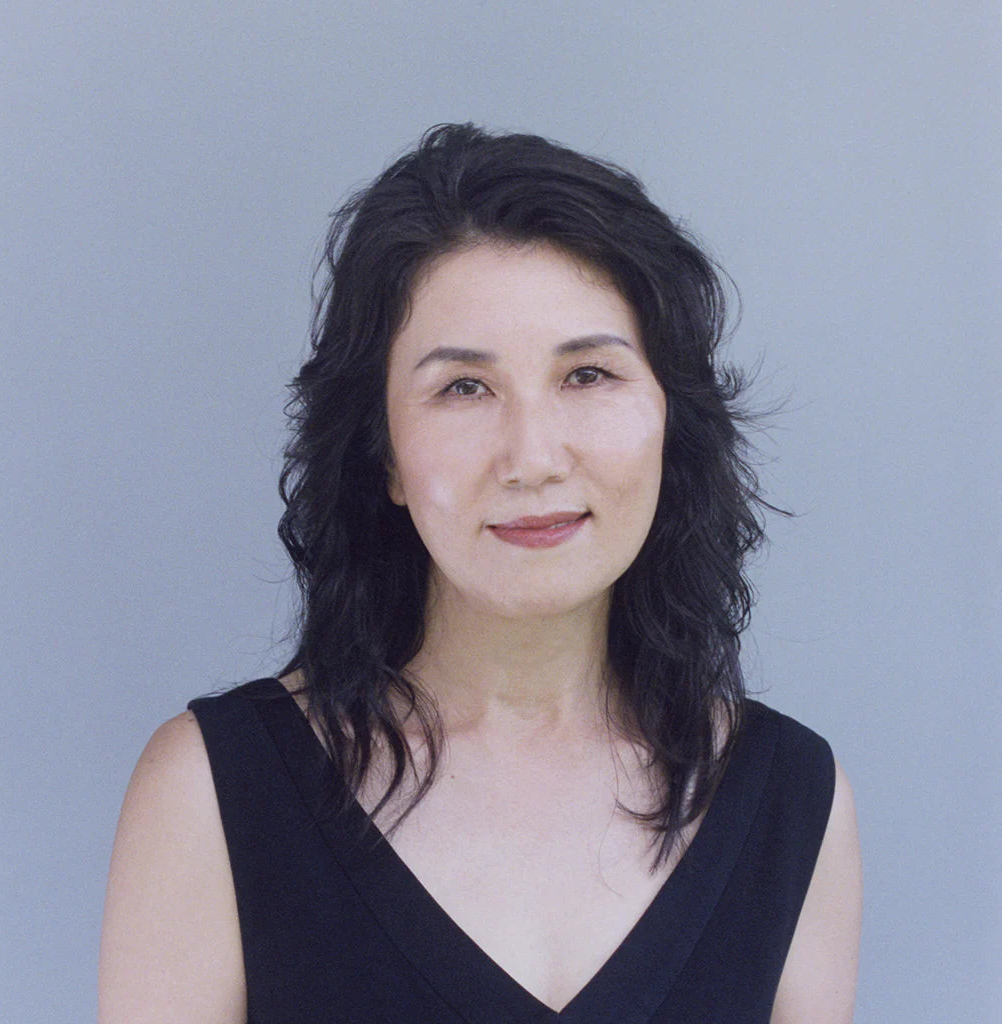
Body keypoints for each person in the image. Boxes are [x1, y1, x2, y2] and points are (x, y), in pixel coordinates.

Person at [99, 124, 862, 1023]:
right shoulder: (208, 795)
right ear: (382, 452)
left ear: (672, 423)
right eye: (464, 388)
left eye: (587, 374)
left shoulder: (790, 798)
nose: (532, 457)